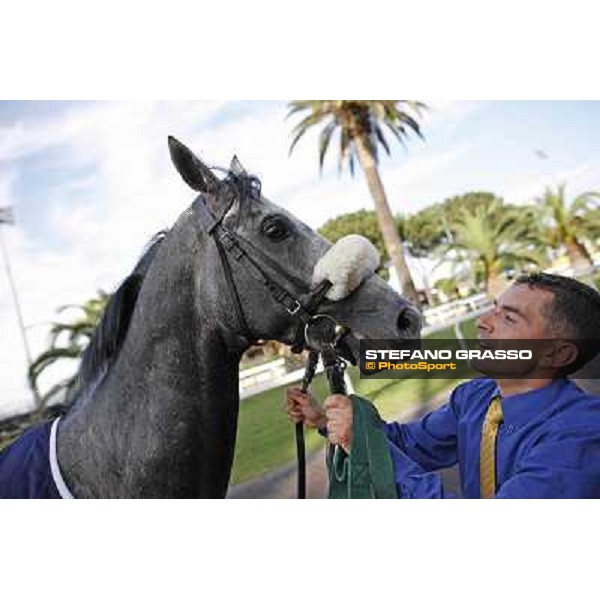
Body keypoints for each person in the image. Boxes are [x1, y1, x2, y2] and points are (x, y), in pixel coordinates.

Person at [287, 273, 600, 498]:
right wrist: (328, 422)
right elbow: (413, 443)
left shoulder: (582, 434)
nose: (483, 322)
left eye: (509, 318)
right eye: (493, 308)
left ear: (558, 352)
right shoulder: (475, 397)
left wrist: (374, 453)